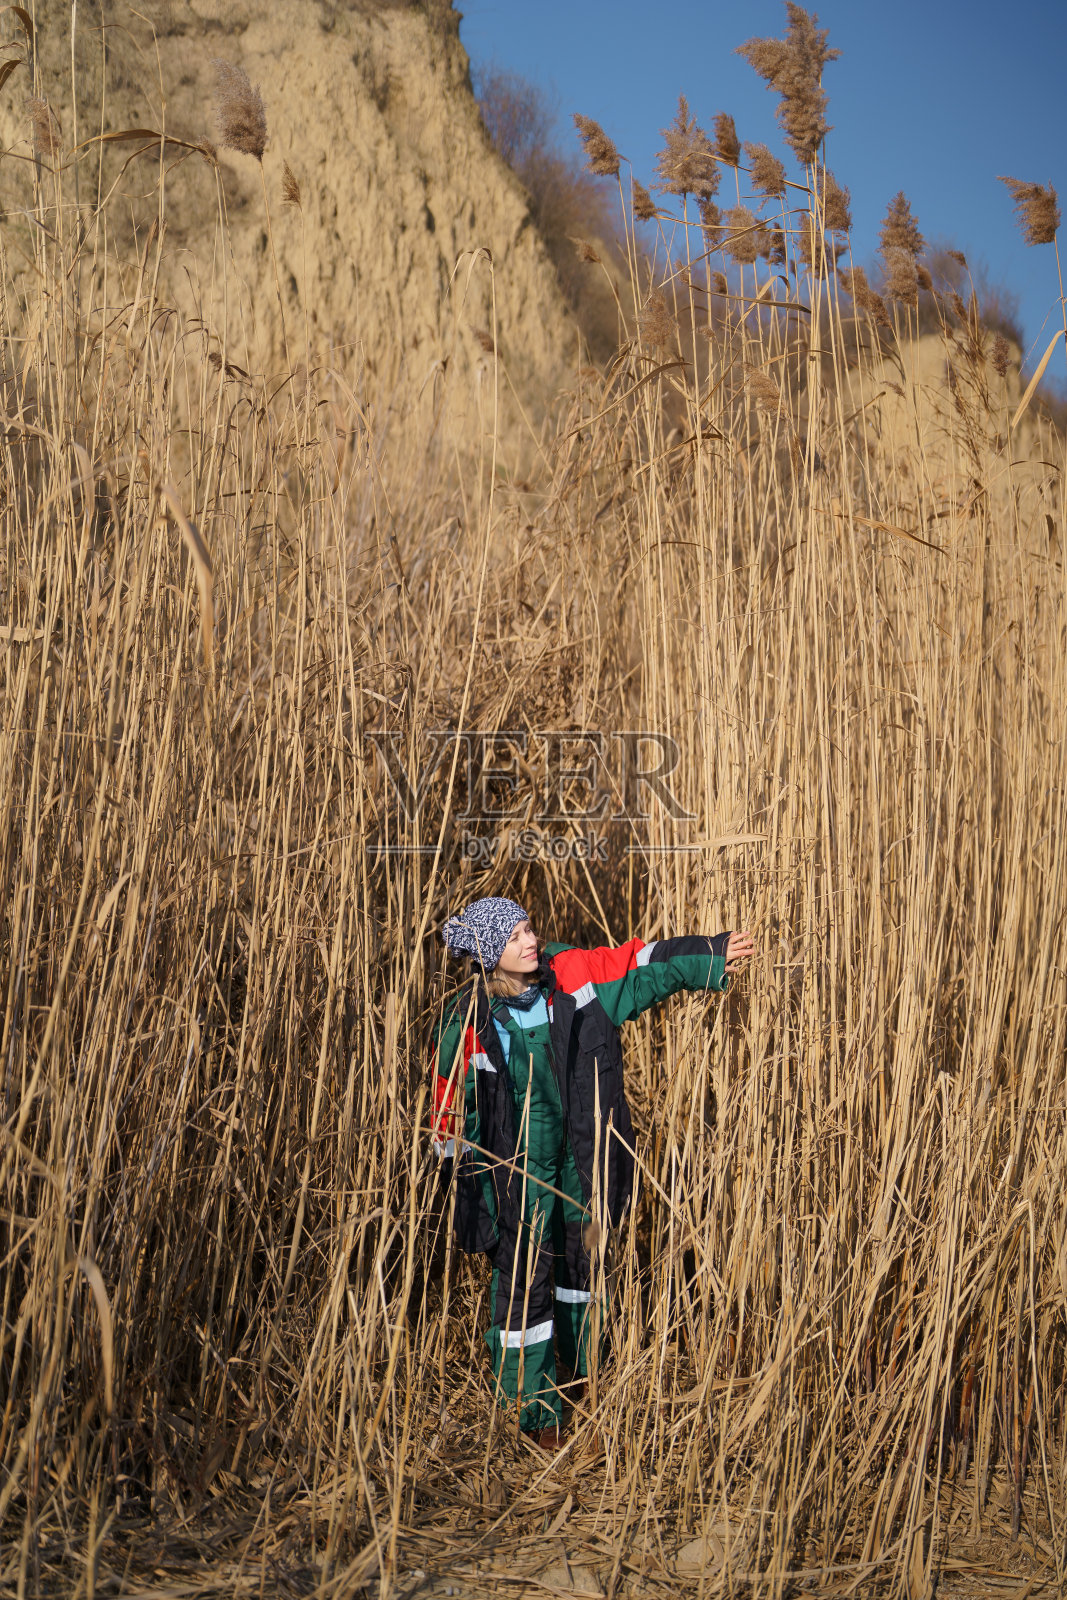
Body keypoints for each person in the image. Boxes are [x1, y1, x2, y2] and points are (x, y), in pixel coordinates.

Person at [429, 894, 755, 1451]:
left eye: (528, 928)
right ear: (488, 952)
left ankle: (584, 1379)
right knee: (524, 1283)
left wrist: (711, 953)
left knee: (582, 1264)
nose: (530, 941)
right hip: (516, 1169)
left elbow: (640, 965)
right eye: (513, 937)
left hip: (580, 1155)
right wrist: (469, 1189)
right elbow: (449, 1111)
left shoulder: (574, 973)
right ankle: (534, 1413)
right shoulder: (467, 1019)